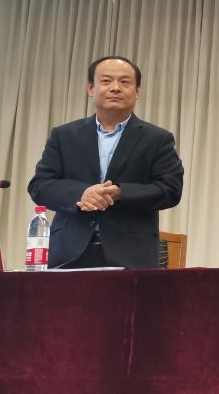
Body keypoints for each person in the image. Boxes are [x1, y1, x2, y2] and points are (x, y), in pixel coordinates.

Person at [28, 56, 184, 269]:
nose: (115, 88)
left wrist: (120, 193)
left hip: (132, 255)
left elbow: (171, 189)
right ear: (91, 88)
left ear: (137, 92)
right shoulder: (64, 135)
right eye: (106, 81)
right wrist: (81, 193)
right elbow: (40, 186)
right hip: (68, 253)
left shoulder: (157, 139)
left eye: (125, 82)